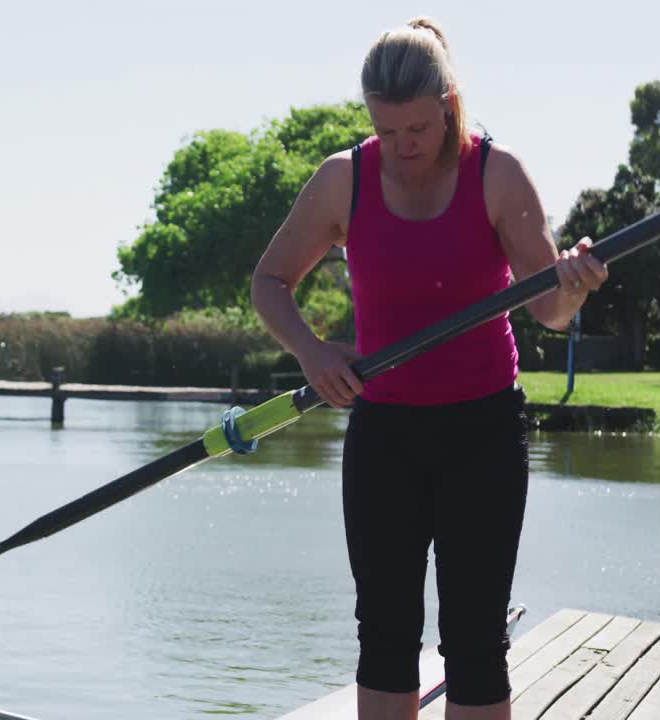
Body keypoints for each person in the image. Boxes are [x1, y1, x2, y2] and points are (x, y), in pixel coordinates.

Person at [250, 17, 609, 720]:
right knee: (383, 635)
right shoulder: (341, 181)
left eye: (416, 128)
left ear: (449, 105)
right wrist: (315, 352)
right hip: (384, 434)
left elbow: (550, 314)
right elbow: (269, 282)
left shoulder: (498, 175)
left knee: (475, 640)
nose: (401, 147)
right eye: (385, 132)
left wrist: (571, 282)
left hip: (484, 432)